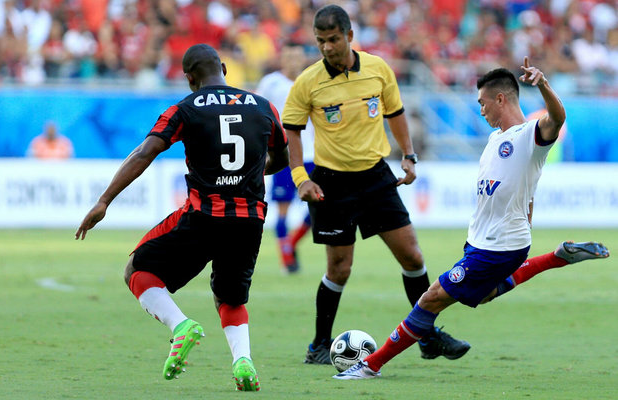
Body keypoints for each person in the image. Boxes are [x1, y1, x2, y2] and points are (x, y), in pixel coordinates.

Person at [334, 57, 611, 380]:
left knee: (431, 297)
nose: (481, 111)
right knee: (484, 293)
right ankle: (556, 257)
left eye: (483, 103)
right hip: (483, 242)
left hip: (499, 246)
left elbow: (557, 118)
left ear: (500, 99)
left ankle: (370, 365)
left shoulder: (529, 136)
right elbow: (525, 192)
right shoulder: (495, 140)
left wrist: (544, 85)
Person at [75, 44, 289, 391]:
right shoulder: (264, 107)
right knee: (231, 297)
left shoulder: (185, 109)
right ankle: (243, 361)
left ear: (190, 79)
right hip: (250, 219)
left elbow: (147, 151)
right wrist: (252, 173)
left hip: (204, 215)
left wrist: (104, 201)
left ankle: (180, 326)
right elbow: (283, 155)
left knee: (137, 270)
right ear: (223, 67)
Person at [281, 4, 470, 365]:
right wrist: (300, 178)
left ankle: (428, 337)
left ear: (350, 36)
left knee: (413, 256)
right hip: (332, 182)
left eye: (333, 39)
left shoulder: (378, 69)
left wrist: (409, 155)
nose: (327, 48)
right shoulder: (308, 81)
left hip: (375, 176)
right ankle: (319, 344)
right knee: (339, 268)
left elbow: (395, 112)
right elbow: (292, 130)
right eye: (320, 41)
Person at [256, 42, 315, 273]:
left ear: (303, 59)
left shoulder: (311, 80)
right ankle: (287, 259)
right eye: (289, 56)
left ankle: (290, 244)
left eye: (297, 57)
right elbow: (258, 113)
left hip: (310, 154)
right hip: (282, 156)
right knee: (282, 208)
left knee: (317, 209)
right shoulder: (271, 83)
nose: (293, 61)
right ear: (282, 58)